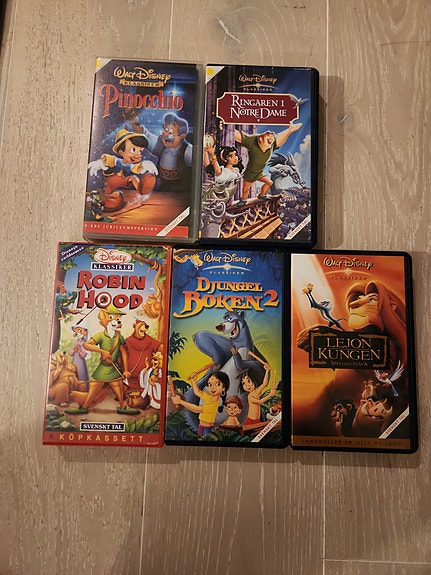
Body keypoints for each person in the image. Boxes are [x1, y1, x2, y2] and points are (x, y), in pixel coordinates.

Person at [234, 122, 302, 206]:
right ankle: (243, 200)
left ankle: (262, 195)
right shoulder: (252, 141)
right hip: (250, 173)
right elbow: (239, 136)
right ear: (260, 139)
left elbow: (279, 139)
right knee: (246, 189)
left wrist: (289, 130)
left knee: (269, 183)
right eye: (268, 136)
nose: (272, 137)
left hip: (259, 173)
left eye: (272, 137)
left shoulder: (271, 145)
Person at [172, 370, 230, 437]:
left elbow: (197, 409)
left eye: (217, 384)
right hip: (202, 427)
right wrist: (193, 380)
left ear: (223, 388)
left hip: (207, 429)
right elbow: (198, 392)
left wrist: (180, 401)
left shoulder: (214, 403)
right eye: (210, 384)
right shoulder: (210, 398)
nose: (212, 387)